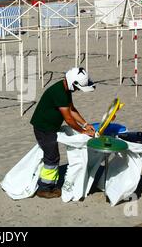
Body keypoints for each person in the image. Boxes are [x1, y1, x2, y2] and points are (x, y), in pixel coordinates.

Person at [30, 67, 96, 199]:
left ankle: (50, 185)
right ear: (73, 83)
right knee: (52, 158)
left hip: (49, 127)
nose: (77, 90)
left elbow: (71, 109)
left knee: (52, 156)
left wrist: (85, 124)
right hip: (44, 128)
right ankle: (44, 188)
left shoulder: (64, 89)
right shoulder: (59, 92)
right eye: (77, 88)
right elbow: (69, 119)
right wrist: (83, 131)